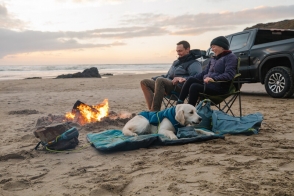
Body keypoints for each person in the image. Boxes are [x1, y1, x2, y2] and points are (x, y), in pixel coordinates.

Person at [140, 40, 202, 111]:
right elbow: (167, 76)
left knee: (160, 80)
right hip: (166, 85)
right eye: (177, 51)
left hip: (181, 88)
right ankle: (152, 111)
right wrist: (155, 78)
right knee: (144, 82)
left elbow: (196, 78)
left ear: (187, 49)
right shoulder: (176, 62)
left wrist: (181, 78)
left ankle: (155, 112)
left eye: (180, 51)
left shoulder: (194, 63)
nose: (178, 53)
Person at [176, 36, 237, 106]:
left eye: (214, 47)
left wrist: (214, 79)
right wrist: (185, 79)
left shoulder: (230, 57)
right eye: (211, 47)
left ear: (222, 47)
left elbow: (229, 74)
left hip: (219, 88)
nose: (212, 49)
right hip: (208, 85)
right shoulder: (213, 59)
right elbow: (203, 73)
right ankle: (179, 104)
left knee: (194, 86)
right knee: (190, 79)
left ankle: (190, 110)